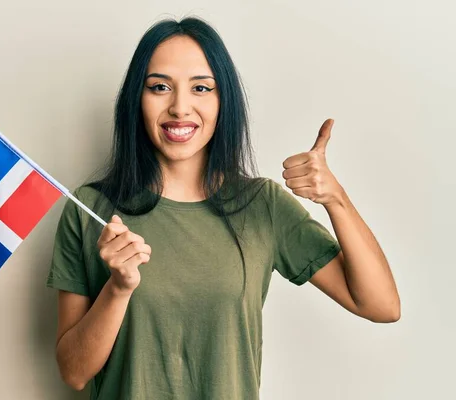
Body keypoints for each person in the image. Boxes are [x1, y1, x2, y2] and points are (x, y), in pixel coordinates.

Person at [45, 16, 400, 400]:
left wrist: (336, 199)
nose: (180, 107)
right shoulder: (89, 209)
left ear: (222, 100)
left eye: (201, 88)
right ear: (137, 99)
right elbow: (74, 372)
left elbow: (381, 306)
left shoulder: (262, 205)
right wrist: (118, 288)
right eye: (160, 87)